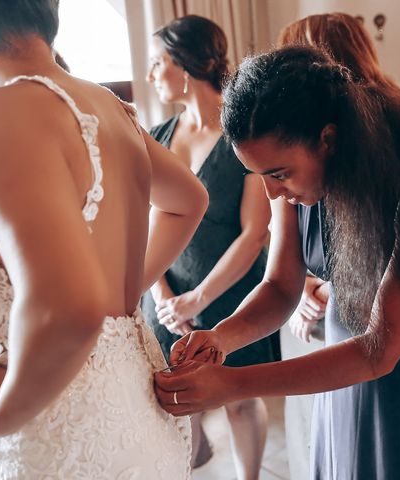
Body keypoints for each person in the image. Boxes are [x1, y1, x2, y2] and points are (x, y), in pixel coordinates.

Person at [154, 43, 400, 479]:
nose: (272, 193)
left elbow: (380, 351)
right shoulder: (292, 182)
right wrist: (221, 339)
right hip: (339, 367)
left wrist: (233, 384)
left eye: (278, 174)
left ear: (328, 139)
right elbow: (280, 287)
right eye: (260, 177)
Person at [0, 1, 209, 478]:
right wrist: (124, 291)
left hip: (51, 426)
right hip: (138, 405)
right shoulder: (105, 104)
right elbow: (188, 200)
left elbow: (69, 309)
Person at [143, 15, 273, 478]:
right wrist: (163, 297)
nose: (151, 74)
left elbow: (254, 233)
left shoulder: (242, 131)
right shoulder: (155, 138)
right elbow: (143, 226)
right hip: (164, 299)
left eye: (157, 63)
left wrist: (199, 299)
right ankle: (193, 467)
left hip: (230, 293)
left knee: (237, 398)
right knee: (178, 399)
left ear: (183, 64)